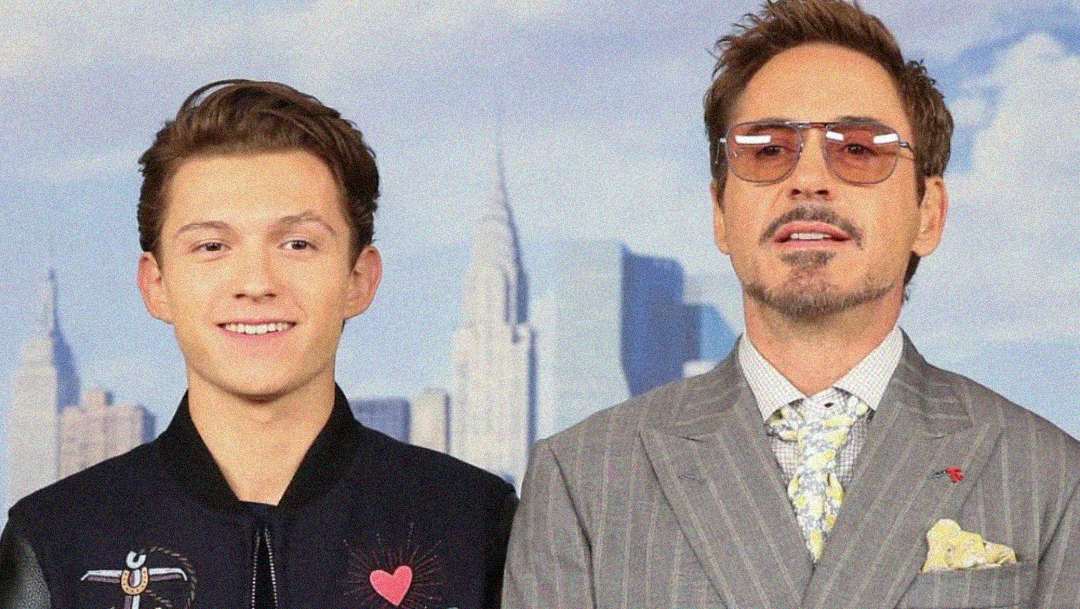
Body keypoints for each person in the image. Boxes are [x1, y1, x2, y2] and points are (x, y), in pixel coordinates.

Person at [503, 1, 1080, 608]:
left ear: (928, 214)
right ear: (721, 213)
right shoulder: (583, 478)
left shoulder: (1050, 477)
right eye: (768, 149)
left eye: (859, 149)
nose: (808, 179)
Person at [0, 80, 516, 609]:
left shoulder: (474, 524)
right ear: (156, 285)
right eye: (212, 246)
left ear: (359, 278)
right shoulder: (56, 541)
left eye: (297, 243)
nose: (255, 283)